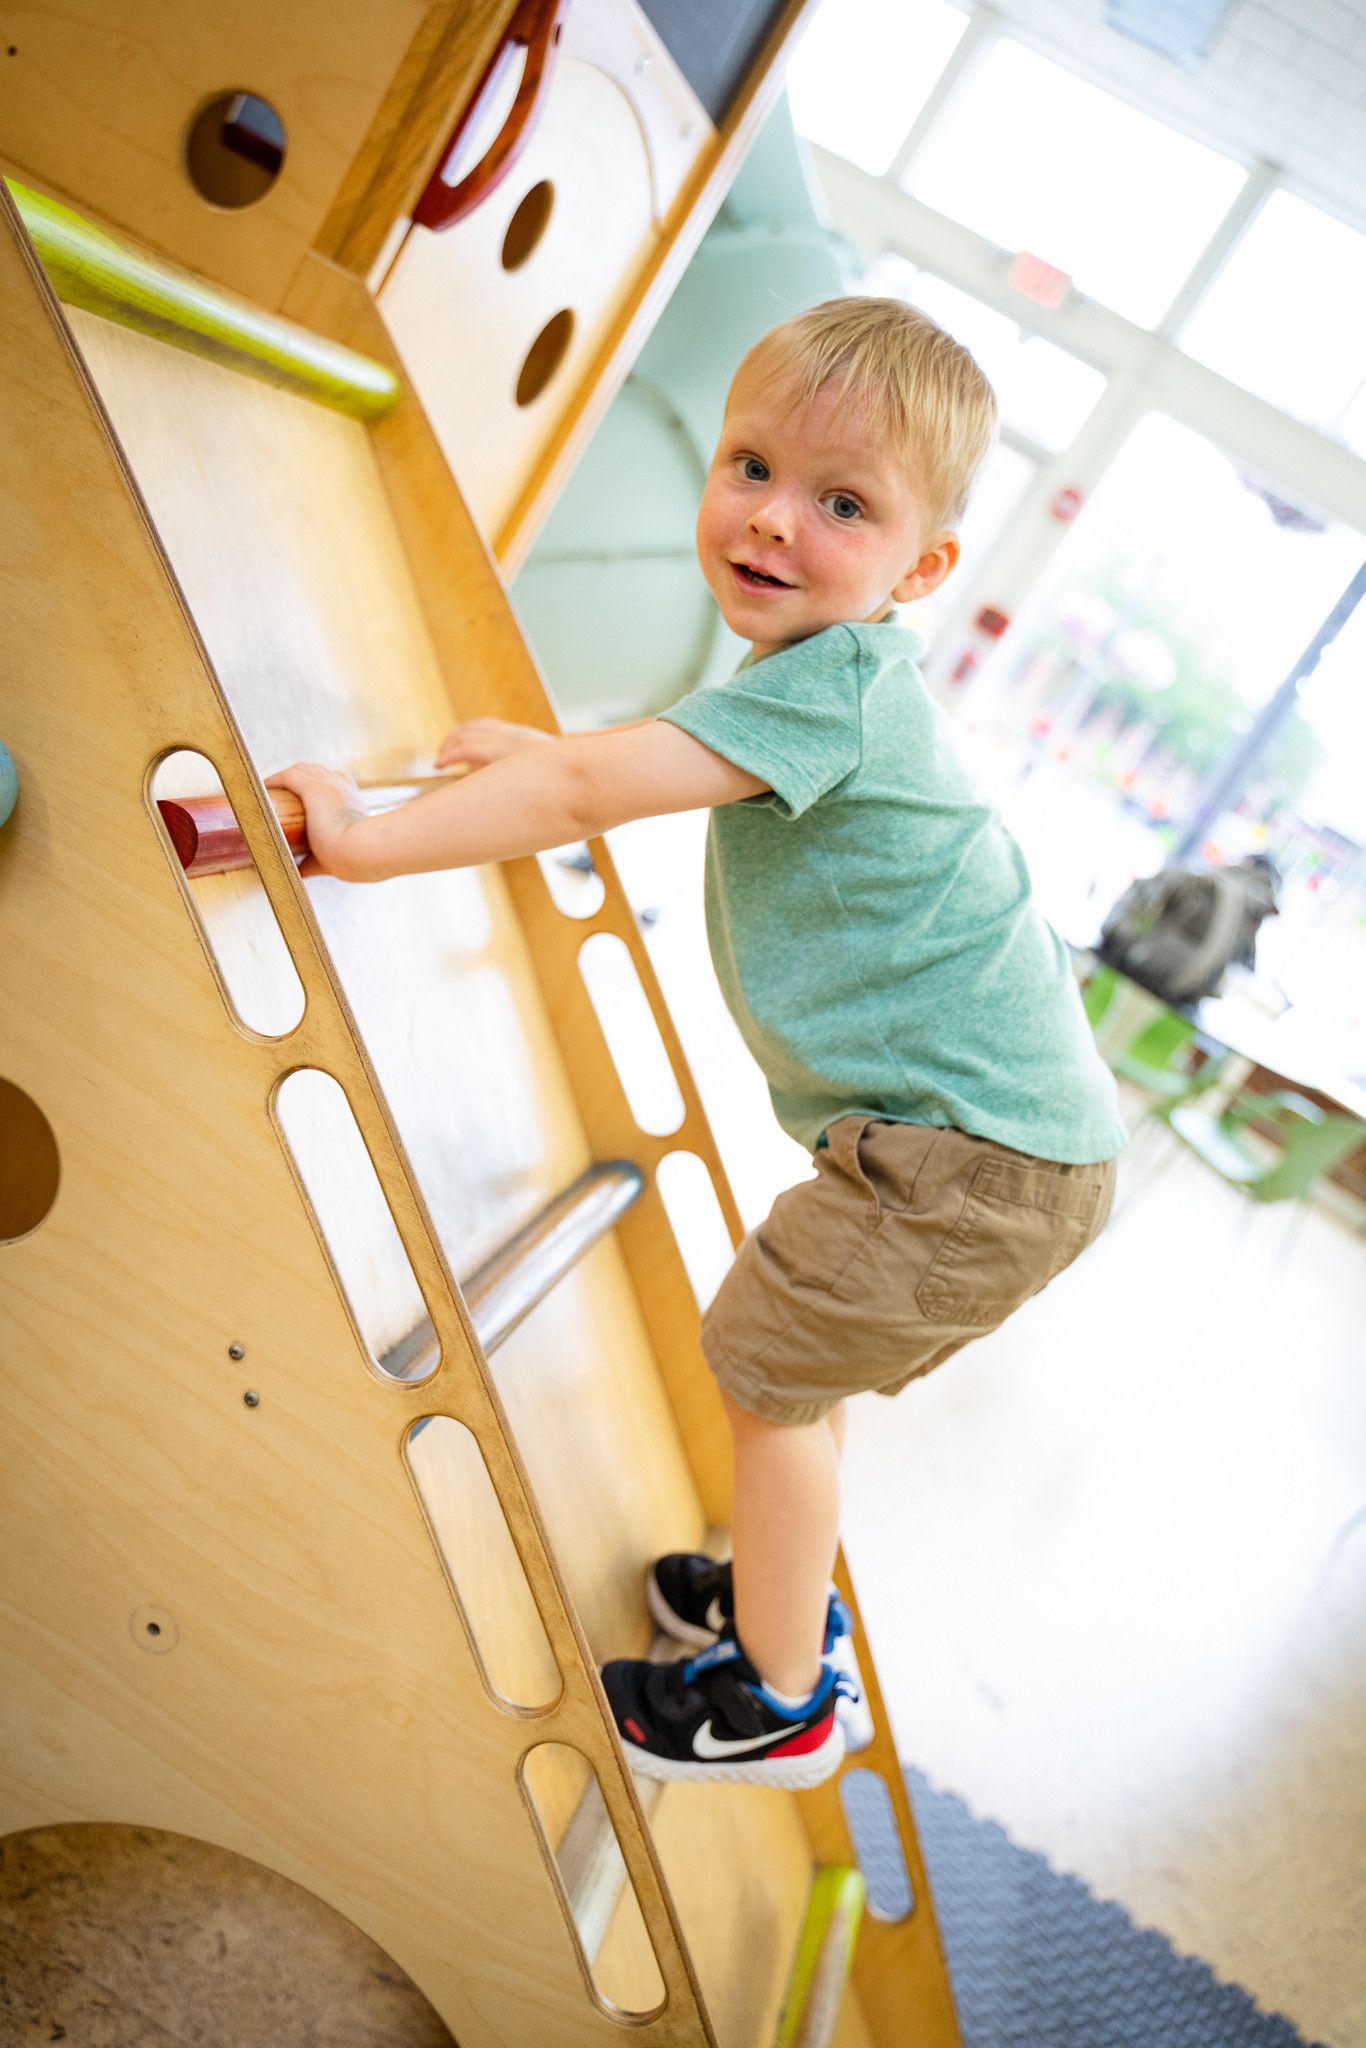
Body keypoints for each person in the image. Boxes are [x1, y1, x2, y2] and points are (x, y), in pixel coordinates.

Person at [267, 297, 1127, 1791]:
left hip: (969, 1161)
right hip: (986, 1149)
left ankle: (778, 1704)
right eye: (750, 467)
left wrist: (369, 840)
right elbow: (633, 772)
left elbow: (596, 799)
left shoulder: (831, 686)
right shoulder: (812, 686)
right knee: (794, 1371)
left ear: (918, 568)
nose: (774, 521)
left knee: (764, 1377)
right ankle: (775, 1613)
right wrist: (554, 758)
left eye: (841, 504)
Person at [1097, 853, 1281, 1006]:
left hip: (1121, 970)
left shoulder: (1200, 882)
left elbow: (1128, 911)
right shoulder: (1244, 916)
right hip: (1170, 1000)